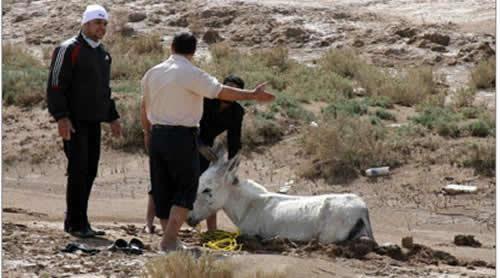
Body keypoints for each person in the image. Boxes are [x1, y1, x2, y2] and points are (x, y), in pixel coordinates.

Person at [140, 31, 275, 252]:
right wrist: (252, 94)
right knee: (185, 190)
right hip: (183, 138)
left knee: (162, 186)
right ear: (193, 52)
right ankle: (169, 240)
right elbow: (221, 91)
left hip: (157, 136)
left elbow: (143, 106)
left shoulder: (152, 73)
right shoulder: (192, 74)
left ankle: (169, 238)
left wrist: (147, 133)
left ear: (171, 47)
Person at [46, 4, 122, 238]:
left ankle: (80, 221)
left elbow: (104, 90)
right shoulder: (68, 49)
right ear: (85, 24)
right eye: (98, 23)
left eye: (105, 23)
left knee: (89, 171)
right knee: (78, 170)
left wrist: (113, 116)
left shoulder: (103, 54)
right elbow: (55, 85)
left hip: (94, 122)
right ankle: (75, 223)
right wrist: (61, 117)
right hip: (74, 121)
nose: (102, 27)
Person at [143, 74, 246, 234]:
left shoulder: (237, 111)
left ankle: (212, 229)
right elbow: (190, 123)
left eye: (236, 91)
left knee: (207, 186)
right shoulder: (205, 100)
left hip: (206, 150)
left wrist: (231, 167)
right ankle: (148, 223)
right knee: (162, 182)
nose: (230, 93)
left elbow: (235, 139)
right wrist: (200, 145)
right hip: (183, 140)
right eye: (228, 89)